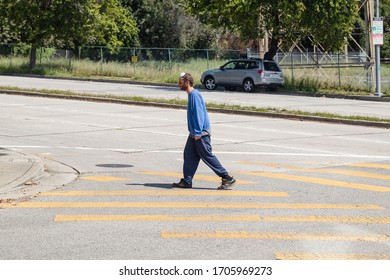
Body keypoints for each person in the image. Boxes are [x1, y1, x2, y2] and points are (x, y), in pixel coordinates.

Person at [172, 72, 236, 190]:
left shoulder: (194, 95)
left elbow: (199, 115)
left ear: (187, 82)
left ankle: (226, 177)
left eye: (180, 82)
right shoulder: (191, 95)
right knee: (189, 155)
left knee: (207, 155)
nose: (179, 84)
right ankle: (187, 181)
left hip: (200, 133)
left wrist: (197, 132)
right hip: (194, 134)